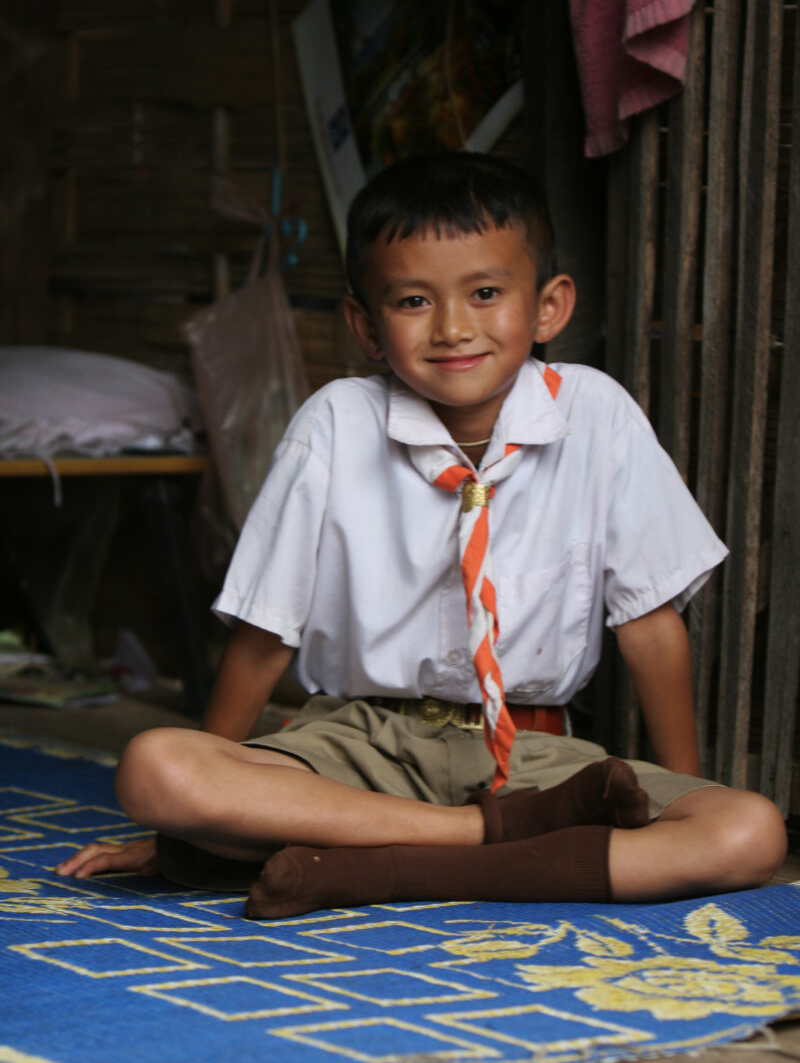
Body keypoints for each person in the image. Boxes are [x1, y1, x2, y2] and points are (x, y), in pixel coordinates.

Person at [56, 152, 786, 918]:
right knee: (157, 771)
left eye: (485, 293)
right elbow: (264, 632)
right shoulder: (335, 423)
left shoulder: (595, 414)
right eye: (412, 300)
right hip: (357, 748)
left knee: (744, 831)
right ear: (365, 325)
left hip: (535, 753)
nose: (452, 328)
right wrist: (190, 826)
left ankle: (381, 870)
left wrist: (683, 795)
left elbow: (650, 627)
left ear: (549, 307)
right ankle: (478, 842)